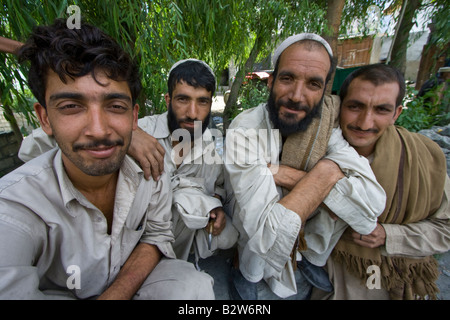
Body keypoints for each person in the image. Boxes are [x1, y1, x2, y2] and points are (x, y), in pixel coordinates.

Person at [0, 19, 215, 300]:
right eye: (71, 107)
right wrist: (130, 137)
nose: (99, 129)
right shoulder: (13, 208)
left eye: (115, 106)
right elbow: (33, 149)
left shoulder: (159, 165)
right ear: (44, 118)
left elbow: (157, 234)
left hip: (145, 265)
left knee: (194, 286)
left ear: (133, 114)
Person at [18, 58, 238, 266]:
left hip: (180, 236)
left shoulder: (210, 142)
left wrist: (215, 204)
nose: (192, 113)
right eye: (183, 99)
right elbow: (34, 147)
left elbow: (217, 184)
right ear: (168, 100)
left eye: (202, 102)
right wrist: (127, 138)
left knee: (228, 236)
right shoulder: (138, 129)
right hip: (131, 239)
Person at [223, 33, 386, 300]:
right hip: (251, 226)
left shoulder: (326, 129)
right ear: (272, 82)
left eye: (313, 84)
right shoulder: (245, 129)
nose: (297, 96)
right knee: (258, 210)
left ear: (324, 91)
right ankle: (244, 272)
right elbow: (265, 233)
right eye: (287, 79)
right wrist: (326, 176)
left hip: (296, 219)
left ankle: (310, 258)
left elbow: (371, 207)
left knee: (335, 195)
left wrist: (297, 174)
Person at [317, 63, 450, 300]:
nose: (365, 122)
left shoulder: (423, 159)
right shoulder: (314, 150)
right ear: (339, 105)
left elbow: (445, 229)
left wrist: (388, 235)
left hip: (390, 282)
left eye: (381, 110)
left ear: (396, 113)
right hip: (324, 281)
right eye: (355, 106)